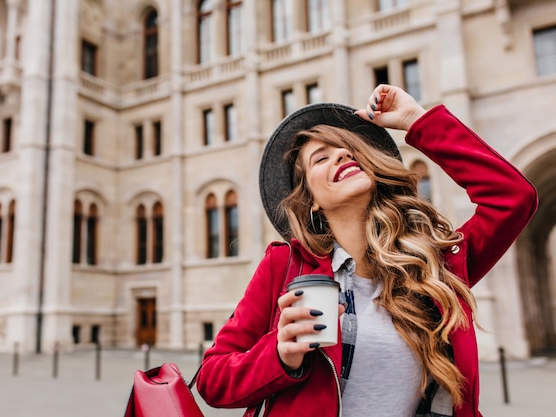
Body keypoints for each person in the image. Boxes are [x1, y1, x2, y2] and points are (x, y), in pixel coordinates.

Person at [195, 85, 538, 417]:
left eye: (347, 149)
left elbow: (513, 198)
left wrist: (417, 121)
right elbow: (212, 379)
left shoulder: (434, 266)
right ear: (311, 200)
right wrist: (280, 353)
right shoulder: (284, 266)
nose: (343, 154)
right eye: (321, 158)